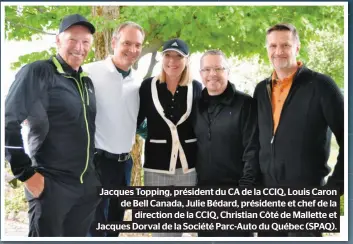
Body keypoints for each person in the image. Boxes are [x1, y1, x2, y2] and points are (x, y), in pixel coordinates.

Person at [5, 14, 100, 237]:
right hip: (51, 186)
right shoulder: (38, 72)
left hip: (85, 188)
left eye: (86, 42)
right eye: (72, 40)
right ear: (58, 40)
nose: (79, 47)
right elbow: (8, 122)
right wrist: (26, 173)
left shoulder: (86, 81)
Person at [253, 23, 344, 237]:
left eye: (285, 45)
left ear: (297, 47)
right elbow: (255, 141)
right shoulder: (260, 89)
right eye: (273, 45)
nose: (278, 51)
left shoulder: (322, 86)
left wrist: (332, 191)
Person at [83, 21, 145, 237]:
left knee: (114, 226)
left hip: (124, 164)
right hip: (97, 162)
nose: (133, 49)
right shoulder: (89, 72)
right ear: (114, 42)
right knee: (94, 227)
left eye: (138, 45)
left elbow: (138, 121)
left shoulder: (139, 83)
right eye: (127, 43)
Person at [137, 38, 202, 237]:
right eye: (168, 56)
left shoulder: (197, 87)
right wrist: (151, 135)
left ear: (187, 60)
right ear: (162, 58)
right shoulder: (148, 86)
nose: (172, 61)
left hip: (188, 167)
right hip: (156, 166)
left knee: (180, 226)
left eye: (178, 57)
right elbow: (136, 120)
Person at [193, 50, 258, 237]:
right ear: (201, 74)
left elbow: (252, 151)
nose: (212, 74)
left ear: (227, 72)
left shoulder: (246, 104)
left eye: (218, 68)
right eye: (206, 69)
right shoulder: (196, 106)